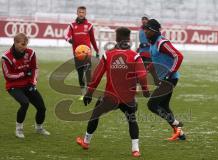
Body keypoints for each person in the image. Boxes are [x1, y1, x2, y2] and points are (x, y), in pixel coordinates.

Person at [76, 27, 150, 157]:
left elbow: (97, 76)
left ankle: (86, 142)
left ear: (116, 38)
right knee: (132, 120)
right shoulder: (135, 56)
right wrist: (145, 90)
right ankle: (135, 149)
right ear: (129, 39)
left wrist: (89, 93)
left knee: (95, 115)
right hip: (128, 98)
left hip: (110, 97)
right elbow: (142, 76)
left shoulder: (108, 55)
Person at [143, 19, 186, 141]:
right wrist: (152, 75)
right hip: (164, 80)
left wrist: (169, 74)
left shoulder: (161, 42)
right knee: (164, 106)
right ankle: (180, 134)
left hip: (170, 79)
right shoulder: (152, 43)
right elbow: (155, 63)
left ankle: (176, 124)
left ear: (154, 30)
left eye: (147, 29)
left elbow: (178, 56)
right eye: (144, 29)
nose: (145, 32)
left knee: (152, 105)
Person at [1, 33, 50, 138]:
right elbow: (8, 76)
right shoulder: (6, 57)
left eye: (26, 44)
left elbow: (35, 68)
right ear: (15, 43)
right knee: (25, 103)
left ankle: (39, 128)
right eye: (22, 44)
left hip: (28, 85)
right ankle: (19, 129)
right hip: (13, 86)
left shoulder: (31, 53)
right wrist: (22, 74)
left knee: (42, 108)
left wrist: (33, 82)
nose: (24, 47)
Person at [65, 6, 99, 99]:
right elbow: (66, 35)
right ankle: (83, 93)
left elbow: (92, 39)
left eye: (83, 12)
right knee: (80, 74)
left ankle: (89, 93)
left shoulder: (89, 26)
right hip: (77, 54)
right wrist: (69, 40)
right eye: (79, 12)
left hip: (87, 54)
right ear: (77, 13)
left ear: (85, 14)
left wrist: (97, 50)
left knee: (88, 74)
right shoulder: (72, 25)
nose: (81, 14)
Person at [138, 15, 159, 85]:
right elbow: (142, 41)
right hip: (142, 52)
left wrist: (146, 44)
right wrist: (139, 47)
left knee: (149, 70)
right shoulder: (140, 29)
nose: (144, 20)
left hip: (149, 53)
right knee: (141, 70)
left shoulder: (150, 29)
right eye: (142, 19)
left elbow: (154, 41)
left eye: (145, 19)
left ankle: (157, 83)